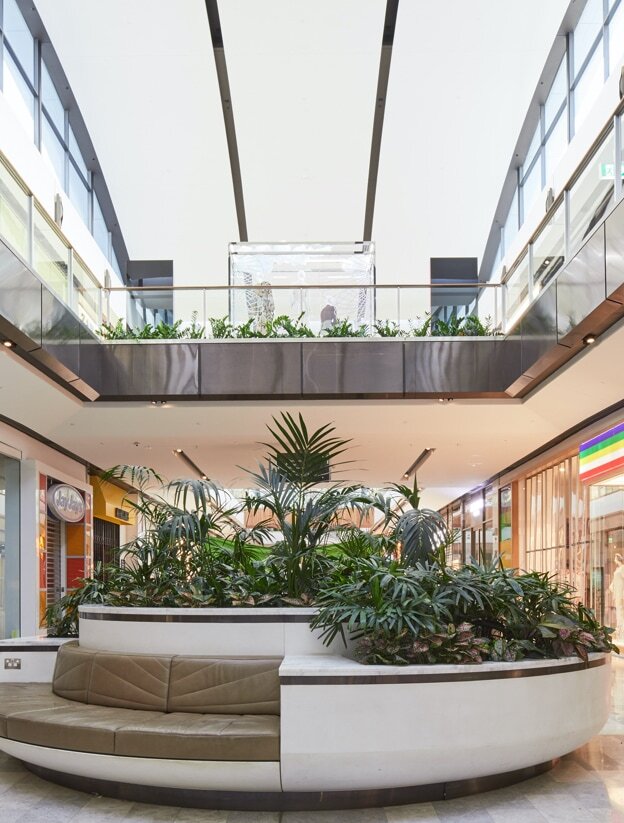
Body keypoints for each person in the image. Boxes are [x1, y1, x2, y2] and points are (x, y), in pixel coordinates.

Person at [609, 553, 624, 636]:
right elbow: (615, 580)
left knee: (620, 610)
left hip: (620, 592)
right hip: (617, 592)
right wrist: (611, 586)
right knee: (619, 610)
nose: (614, 560)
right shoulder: (618, 569)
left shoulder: (622, 568)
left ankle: (621, 628)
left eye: (615, 558)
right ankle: (619, 628)